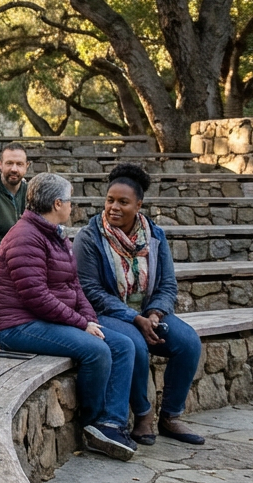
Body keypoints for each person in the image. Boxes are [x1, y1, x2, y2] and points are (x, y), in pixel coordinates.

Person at [0, 173, 138, 461]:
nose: (72, 207)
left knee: (123, 345)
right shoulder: (25, 237)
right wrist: (81, 323)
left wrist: (88, 317)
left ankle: (111, 423)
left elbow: (74, 285)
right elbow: (35, 297)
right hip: (19, 326)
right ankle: (92, 423)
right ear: (57, 203)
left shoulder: (55, 234)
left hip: (49, 319)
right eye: (70, 201)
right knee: (97, 350)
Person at [74, 164, 205, 446]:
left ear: (139, 205)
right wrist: (134, 319)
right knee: (134, 344)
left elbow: (167, 284)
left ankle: (170, 416)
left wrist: (155, 313)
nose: (113, 207)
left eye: (123, 202)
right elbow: (91, 291)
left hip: (147, 313)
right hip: (105, 313)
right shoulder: (90, 237)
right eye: (110, 200)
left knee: (189, 342)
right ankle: (143, 415)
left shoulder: (155, 236)